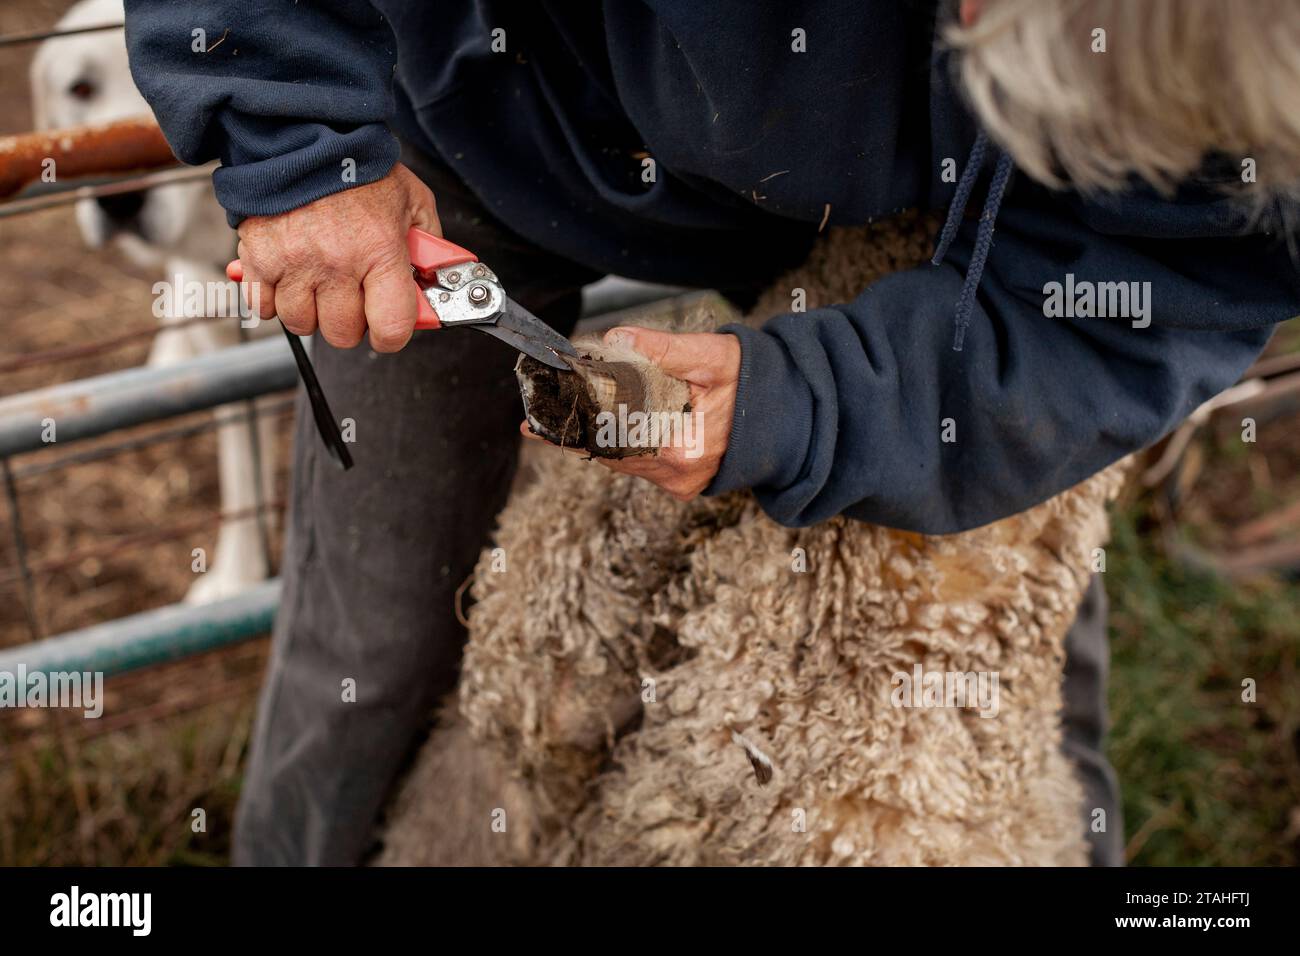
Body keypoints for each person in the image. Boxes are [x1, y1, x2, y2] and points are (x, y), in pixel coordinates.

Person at [121, 0, 1300, 866]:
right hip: (481, 121)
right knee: (374, 625)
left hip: (934, 217)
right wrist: (297, 141)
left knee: (986, 652)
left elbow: (1156, 282)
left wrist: (809, 405)